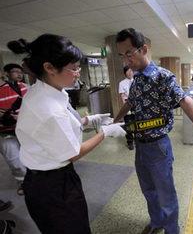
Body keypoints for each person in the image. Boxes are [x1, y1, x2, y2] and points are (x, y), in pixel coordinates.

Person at [7, 34, 126, 234]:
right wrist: (105, 132)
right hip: (51, 185)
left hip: (46, 178)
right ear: (49, 68)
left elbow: (57, 128)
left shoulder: (46, 90)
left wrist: (89, 119)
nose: (78, 73)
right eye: (74, 68)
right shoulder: (48, 108)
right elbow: (73, 152)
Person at [114, 28, 193, 234]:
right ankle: (157, 222)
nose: (126, 60)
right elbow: (130, 104)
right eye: (121, 56)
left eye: (129, 53)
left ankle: (172, 230)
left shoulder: (162, 76)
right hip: (140, 147)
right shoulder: (136, 80)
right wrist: (114, 122)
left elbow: (186, 101)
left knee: (165, 194)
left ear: (143, 49)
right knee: (149, 191)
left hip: (158, 147)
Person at [0, 64, 27, 195]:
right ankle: (23, 183)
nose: (19, 74)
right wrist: (5, 116)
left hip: (24, 130)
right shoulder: (2, 89)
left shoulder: (24, 87)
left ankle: (35, 181)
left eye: (20, 72)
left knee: (30, 155)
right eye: (15, 71)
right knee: (15, 160)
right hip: (5, 133)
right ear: (5, 73)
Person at [119, 65, 134, 150]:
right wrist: (126, 109)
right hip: (128, 105)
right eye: (128, 71)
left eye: (131, 71)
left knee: (137, 123)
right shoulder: (122, 83)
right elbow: (123, 96)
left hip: (137, 105)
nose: (130, 72)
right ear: (125, 73)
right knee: (129, 125)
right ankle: (130, 142)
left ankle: (138, 140)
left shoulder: (137, 81)